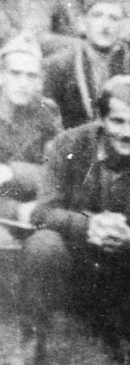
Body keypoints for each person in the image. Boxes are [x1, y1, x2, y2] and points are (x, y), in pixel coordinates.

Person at [21, 75, 130, 365]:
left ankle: (118, 332)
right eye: (117, 122)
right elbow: (42, 212)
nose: (126, 133)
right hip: (73, 264)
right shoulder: (67, 144)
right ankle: (36, 334)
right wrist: (88, 226)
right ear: (101, 119)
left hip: (124, 269)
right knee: (43, 244)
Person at [43, 0, 130, 129]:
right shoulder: (60, 65)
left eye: (113, 18)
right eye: (97, 16)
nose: (105, 25)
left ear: (123, 26)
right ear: (83, 23)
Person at [0, 35, 61, 244]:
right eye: (15, 74)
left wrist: (11, 172)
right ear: (1, 75)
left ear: (40, 81)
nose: (23, 83)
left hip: (34, 213)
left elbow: (58, 175)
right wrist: (15, 211)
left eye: (31, 76)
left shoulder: (47, 113)